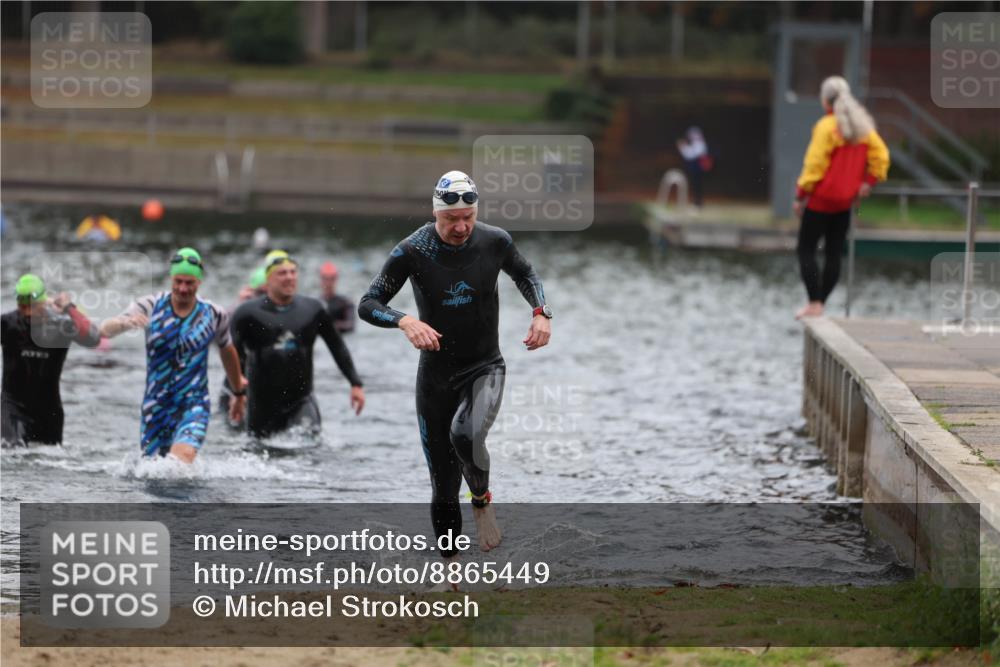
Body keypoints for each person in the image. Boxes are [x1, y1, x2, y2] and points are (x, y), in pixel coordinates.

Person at [358, 170, 551, 555]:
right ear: (435, 213)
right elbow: (368, 303)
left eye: (468, 217)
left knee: (465, 434)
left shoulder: (495, 241)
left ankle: (481, 500)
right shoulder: (413, 250)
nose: (461, 227)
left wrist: (541, 312)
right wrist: (404, 321)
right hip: (435, 379)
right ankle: (451, 573)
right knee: (443, 486)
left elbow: (525, 273)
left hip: (485, 367)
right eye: (451, 219)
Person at [99, 248, 246, 462]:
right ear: (171, 278)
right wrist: (125, 323)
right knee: (153, 471)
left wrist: (238, 393)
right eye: (178, 281)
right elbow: (104, 330)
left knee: (179, 462)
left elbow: (227, 351)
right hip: (155, 406)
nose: (183, 288)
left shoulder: (214, 314)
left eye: (189, 283)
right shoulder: (150, 305)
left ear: (199, 282)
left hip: (194, 403)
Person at [230, 250, 365, 441]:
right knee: (258, 450)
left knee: (310, 446)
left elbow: (337, 346)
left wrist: (355, 383)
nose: (289, 277)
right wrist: (237, 393)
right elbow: (233, 355)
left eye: (293, 272)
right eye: (282, 273)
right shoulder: (247, 313)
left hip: (301, 402)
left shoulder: (313, 309)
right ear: (268, 280)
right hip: (261, 404)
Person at [794, 75, 890, 319]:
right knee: (834, 253)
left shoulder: (826, 127)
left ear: (825, 101)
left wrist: (801, 194)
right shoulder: (864, 128)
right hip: (845, 202)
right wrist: (868, 182)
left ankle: (814, 302)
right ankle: (821, 302)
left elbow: (815, 165)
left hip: (820, 200)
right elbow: (881, 156)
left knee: (805, 249)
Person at [1, 274, 102, 445]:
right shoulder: (8, 323)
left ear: (42, 302)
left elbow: (93, 338)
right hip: (13, 408)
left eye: (32, 306)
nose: (27, 312)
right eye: (22, 307)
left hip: (49, 412)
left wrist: (69, 308)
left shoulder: (61, 326)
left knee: (49, 459)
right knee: (13, 451)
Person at [676, 127, 710, 208]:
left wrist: (683, 147)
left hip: (698, 169)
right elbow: (688, 155)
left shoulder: (700, 144)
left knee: (698, 185)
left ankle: (699, 202)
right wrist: (682, 147)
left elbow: (691, 155)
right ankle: (696, 202)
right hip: (694, 169)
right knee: (695, 185)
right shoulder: (695, 144)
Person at [319, 261, 356, 333]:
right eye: (325, 278)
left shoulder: (346, 303)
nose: (328, 283)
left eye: (332, 279)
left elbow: (351, 325)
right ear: (321, 279)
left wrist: (330, 325)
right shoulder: (315, 303)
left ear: (336, 279)